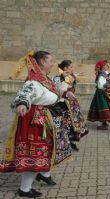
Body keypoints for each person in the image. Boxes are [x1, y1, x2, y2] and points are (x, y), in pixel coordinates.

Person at [0, 51, 70, 198]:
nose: (52, 64)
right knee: (35, 154)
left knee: (46, 150)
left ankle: (44, 174)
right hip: (34, 122)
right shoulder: (33, 81)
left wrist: (63, 93)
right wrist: (22, 104)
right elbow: (24, 94)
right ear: (42, 62)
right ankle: (24, 189)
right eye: (50, 61)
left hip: (44, 118)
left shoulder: (44, 79)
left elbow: (51, 94)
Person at [53, 60, 89, 151]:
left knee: (72, 124)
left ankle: (70, 141)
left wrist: (76, 75)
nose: (73, 68)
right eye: (71, 67)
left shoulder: (69, 77)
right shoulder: (58, 78)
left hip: (71, 103)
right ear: (65, 68)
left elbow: (72, 81)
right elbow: (56, 87)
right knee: (66, 124)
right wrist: (67, 92)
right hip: (63, 104)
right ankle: (64, 143)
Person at [87, 60, 110, 130]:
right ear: (103, 67)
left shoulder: (105, 73)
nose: (108, 66)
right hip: (101, 93)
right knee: (101, 106)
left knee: (106, 106)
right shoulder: (101, 74)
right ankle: (102, 122)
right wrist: (107, 85)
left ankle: (105, 121)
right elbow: (100, 85)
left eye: (107, 65)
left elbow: (108, 81)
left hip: (105, 92)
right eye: (106, 65)